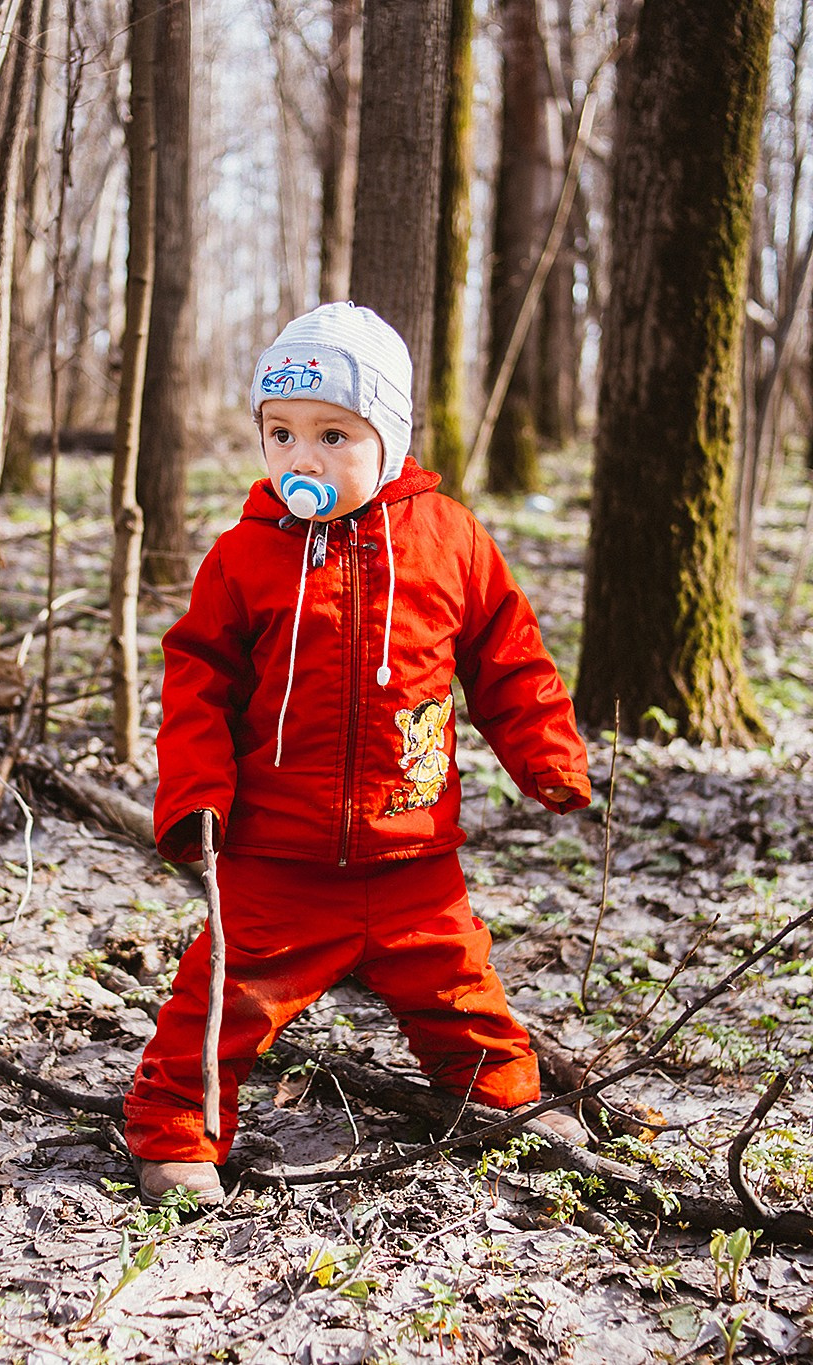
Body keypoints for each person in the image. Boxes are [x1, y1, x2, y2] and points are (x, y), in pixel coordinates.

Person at [124, 302, 592, 1204]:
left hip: (414, 850)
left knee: (460, 988)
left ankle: (499, 1100)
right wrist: (195, 794)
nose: (302, 459)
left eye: (333, 434)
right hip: (279, 854)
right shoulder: (243, 557)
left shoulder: (448, 538)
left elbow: (507, 653)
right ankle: (177, 1129)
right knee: (220, 1000)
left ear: (390, 437)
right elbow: (197, 684)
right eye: (282, 434)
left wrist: (549, 754)